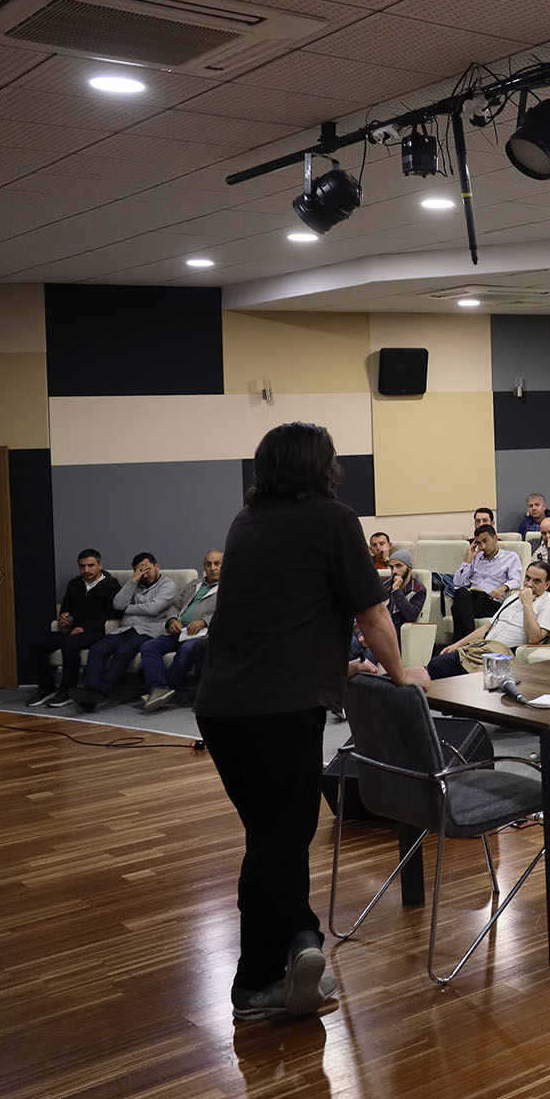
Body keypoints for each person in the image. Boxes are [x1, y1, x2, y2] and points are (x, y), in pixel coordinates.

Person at [201, 422, 420, 1022]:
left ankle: (301, 942)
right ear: (322, 467)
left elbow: (277, 613)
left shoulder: (246, 521)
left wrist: (333, 662)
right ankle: (255, 984)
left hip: (222, 706)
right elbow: (373, 615)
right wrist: (401, 676)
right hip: (278, 708)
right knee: (279, 839)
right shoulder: (333, 519)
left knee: (275, 834)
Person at [73, 553, 182, 710]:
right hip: (125, 629)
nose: (145, 574)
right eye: (140, 570)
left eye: (147, 569)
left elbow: (153, 608)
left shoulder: (168, 585)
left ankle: (102, 691)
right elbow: (118, 604)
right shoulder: (134, 583)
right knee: (97, 649)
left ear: (157, 566)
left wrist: (128, 609)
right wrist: (133, 580)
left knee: (124, 651)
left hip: (148, 631)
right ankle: (91, 691)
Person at [426, 560, 550, 680]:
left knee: (450, 672)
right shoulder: (513, 598)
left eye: (536, 581)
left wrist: (527, 604)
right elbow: (487, 628)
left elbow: (534, 638)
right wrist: (457, 645)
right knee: (435, 665)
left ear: (547, 585)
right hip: (481, 648)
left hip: (504, 654)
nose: (529, 584)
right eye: (527, 578)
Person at [26, 548, 122, 705]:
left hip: (97, 632)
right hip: (73, 630)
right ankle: (46, 686)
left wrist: (85, 628)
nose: (86, 570)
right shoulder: (75, 584)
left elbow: (113, 614)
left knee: (70, 642)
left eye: (91, 565)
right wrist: (64, 617)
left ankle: (67, 690)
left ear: (100, 565)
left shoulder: (111, 586)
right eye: (82, 566)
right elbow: (66, 607)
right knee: (36, 640)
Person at [139, 549, 224, 710]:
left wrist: (204, 621)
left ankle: (169, 687)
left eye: (217, 564)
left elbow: (227, 612)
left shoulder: (229, 588)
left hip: (203, 635)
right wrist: (171, 620)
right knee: (148, 647)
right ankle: (158, 687)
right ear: (204, 566)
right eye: (208, 564)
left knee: (187, 649)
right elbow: (176, 606)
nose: (213, 568)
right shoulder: (193, 585)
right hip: (180, 632)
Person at [446, 524, 522, 636]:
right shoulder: (476, 557)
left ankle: (464, 641)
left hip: (491, 601)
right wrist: (468, 559)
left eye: (485, 541)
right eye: (479, 543)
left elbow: (516, 580)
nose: (482, 547)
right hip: (472, 597)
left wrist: (503, 587)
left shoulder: (510, 557)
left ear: (495, 538)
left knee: (457, 608)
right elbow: (458, 583)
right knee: (461, 593)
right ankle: (469, 642)